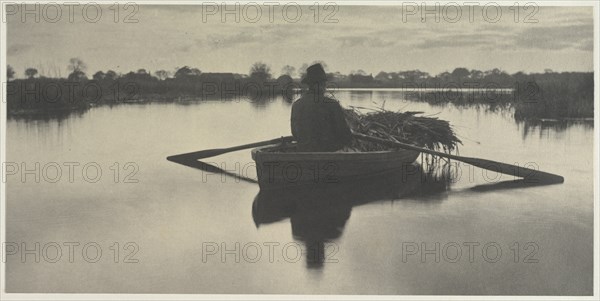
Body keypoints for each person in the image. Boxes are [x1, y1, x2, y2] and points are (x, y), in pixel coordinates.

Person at [291, 63, 353, 152]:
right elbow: (345, 136)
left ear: (309, 85)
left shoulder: (296, 105)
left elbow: (295, 134)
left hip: (304, 151)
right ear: (322, 84)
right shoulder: (332, 104)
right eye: (324, 84)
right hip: (330, 152)